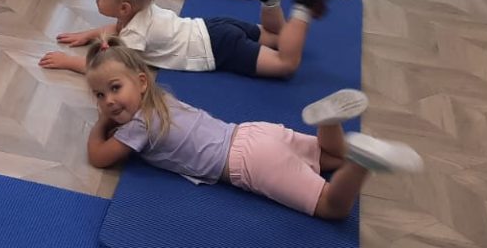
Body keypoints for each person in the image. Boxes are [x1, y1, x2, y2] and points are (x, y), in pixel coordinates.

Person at [82, 40, 422, 220]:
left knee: (332, 207)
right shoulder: (163, 98)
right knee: (332, 157)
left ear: (142, 82)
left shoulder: (136, 128)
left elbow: (99, 157)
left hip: (249, 162)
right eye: (99, 96)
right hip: (254, 132)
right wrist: (113, 104)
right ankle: (329, 123)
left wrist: (102, 123)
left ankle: (361, 162)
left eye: (114, 89)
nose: (108, 102)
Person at [41, 0, 335, 78]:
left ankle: (304, 5)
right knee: (279, 38)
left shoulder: (133, 36)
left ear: (125, 8)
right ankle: (271, 1)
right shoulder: (143, 11)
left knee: (286, 63)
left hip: (219, 48)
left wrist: (69, 62)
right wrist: (89, 34)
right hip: (214, 25)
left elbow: (112, 69)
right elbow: (116, 29)